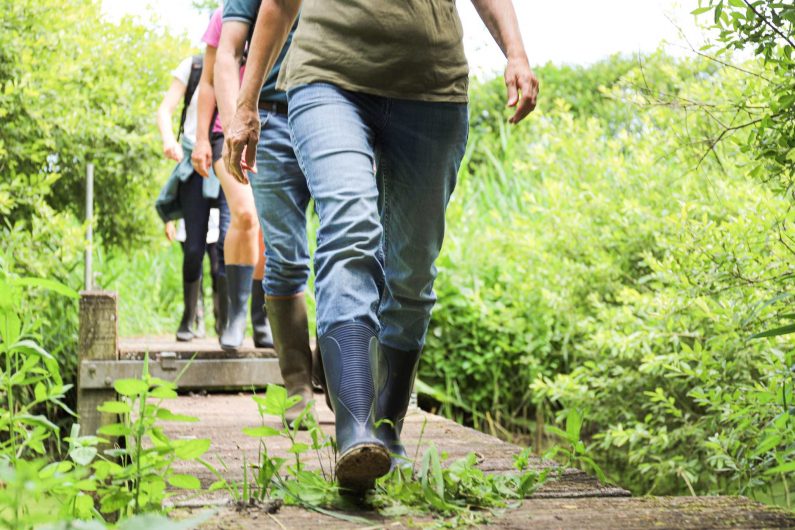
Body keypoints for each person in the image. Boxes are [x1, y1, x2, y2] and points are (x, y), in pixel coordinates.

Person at [225, 0, 539, 491]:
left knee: (411, 272)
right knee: (350, 226)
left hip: (432, 88)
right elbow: (281, 3)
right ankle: (353, 431)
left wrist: (516, 52)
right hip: (326, 76)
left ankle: (387, 430)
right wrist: (245, 105)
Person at [214, 1, 313, 424]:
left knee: (349, 246)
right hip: (271, 120)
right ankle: (298, 386)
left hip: (347, 111)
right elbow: (227, 51)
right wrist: (234, 120)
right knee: (285, 254)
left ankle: (335, 367)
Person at [192, 7, 273, 350]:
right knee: (245, 215)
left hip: (274, 131)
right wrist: (199, 139)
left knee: (268, 228)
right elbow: (208, 81)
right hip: (225, 132)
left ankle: (261, 316)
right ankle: (236, 314)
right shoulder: (224, 15)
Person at [155, 54, 223, 342]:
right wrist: (169, 140)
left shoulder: (245, 61)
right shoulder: (193, 66)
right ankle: (189, 318)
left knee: (222, 248)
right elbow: (165, 110)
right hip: (194, 163)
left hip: (225, 162)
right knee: (193, 248)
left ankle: (225, 321)